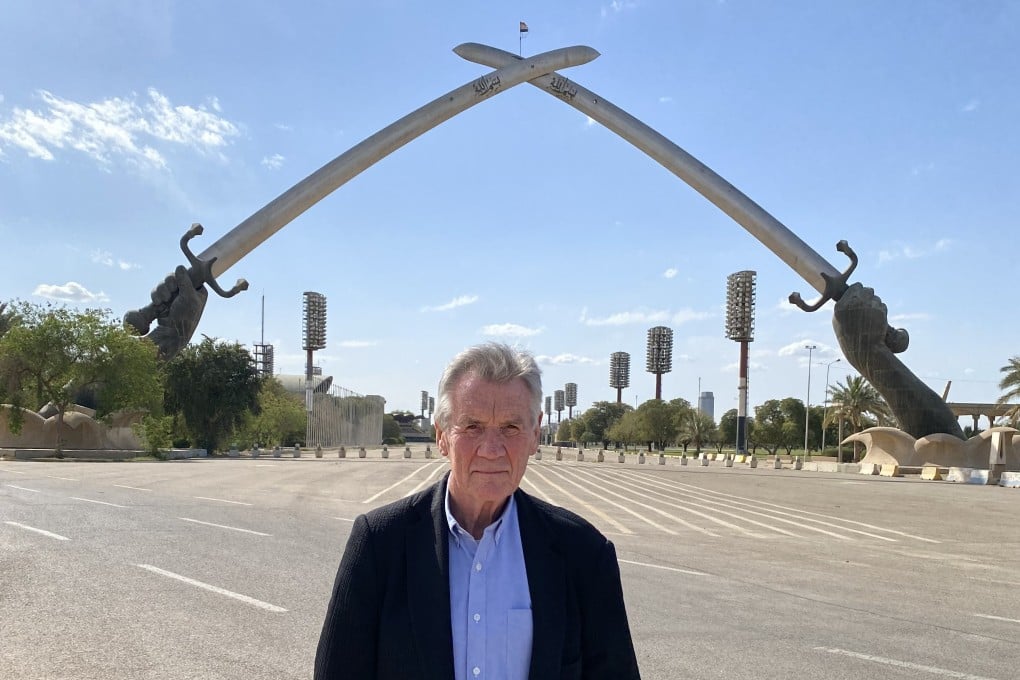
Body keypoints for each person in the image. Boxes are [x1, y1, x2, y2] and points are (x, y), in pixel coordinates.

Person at [315, 342, 641, 679]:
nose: (491, 449)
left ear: (534, 434)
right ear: (441, 435)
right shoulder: (379, 544)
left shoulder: (584, 553)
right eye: (472, 427)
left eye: (510, 428)